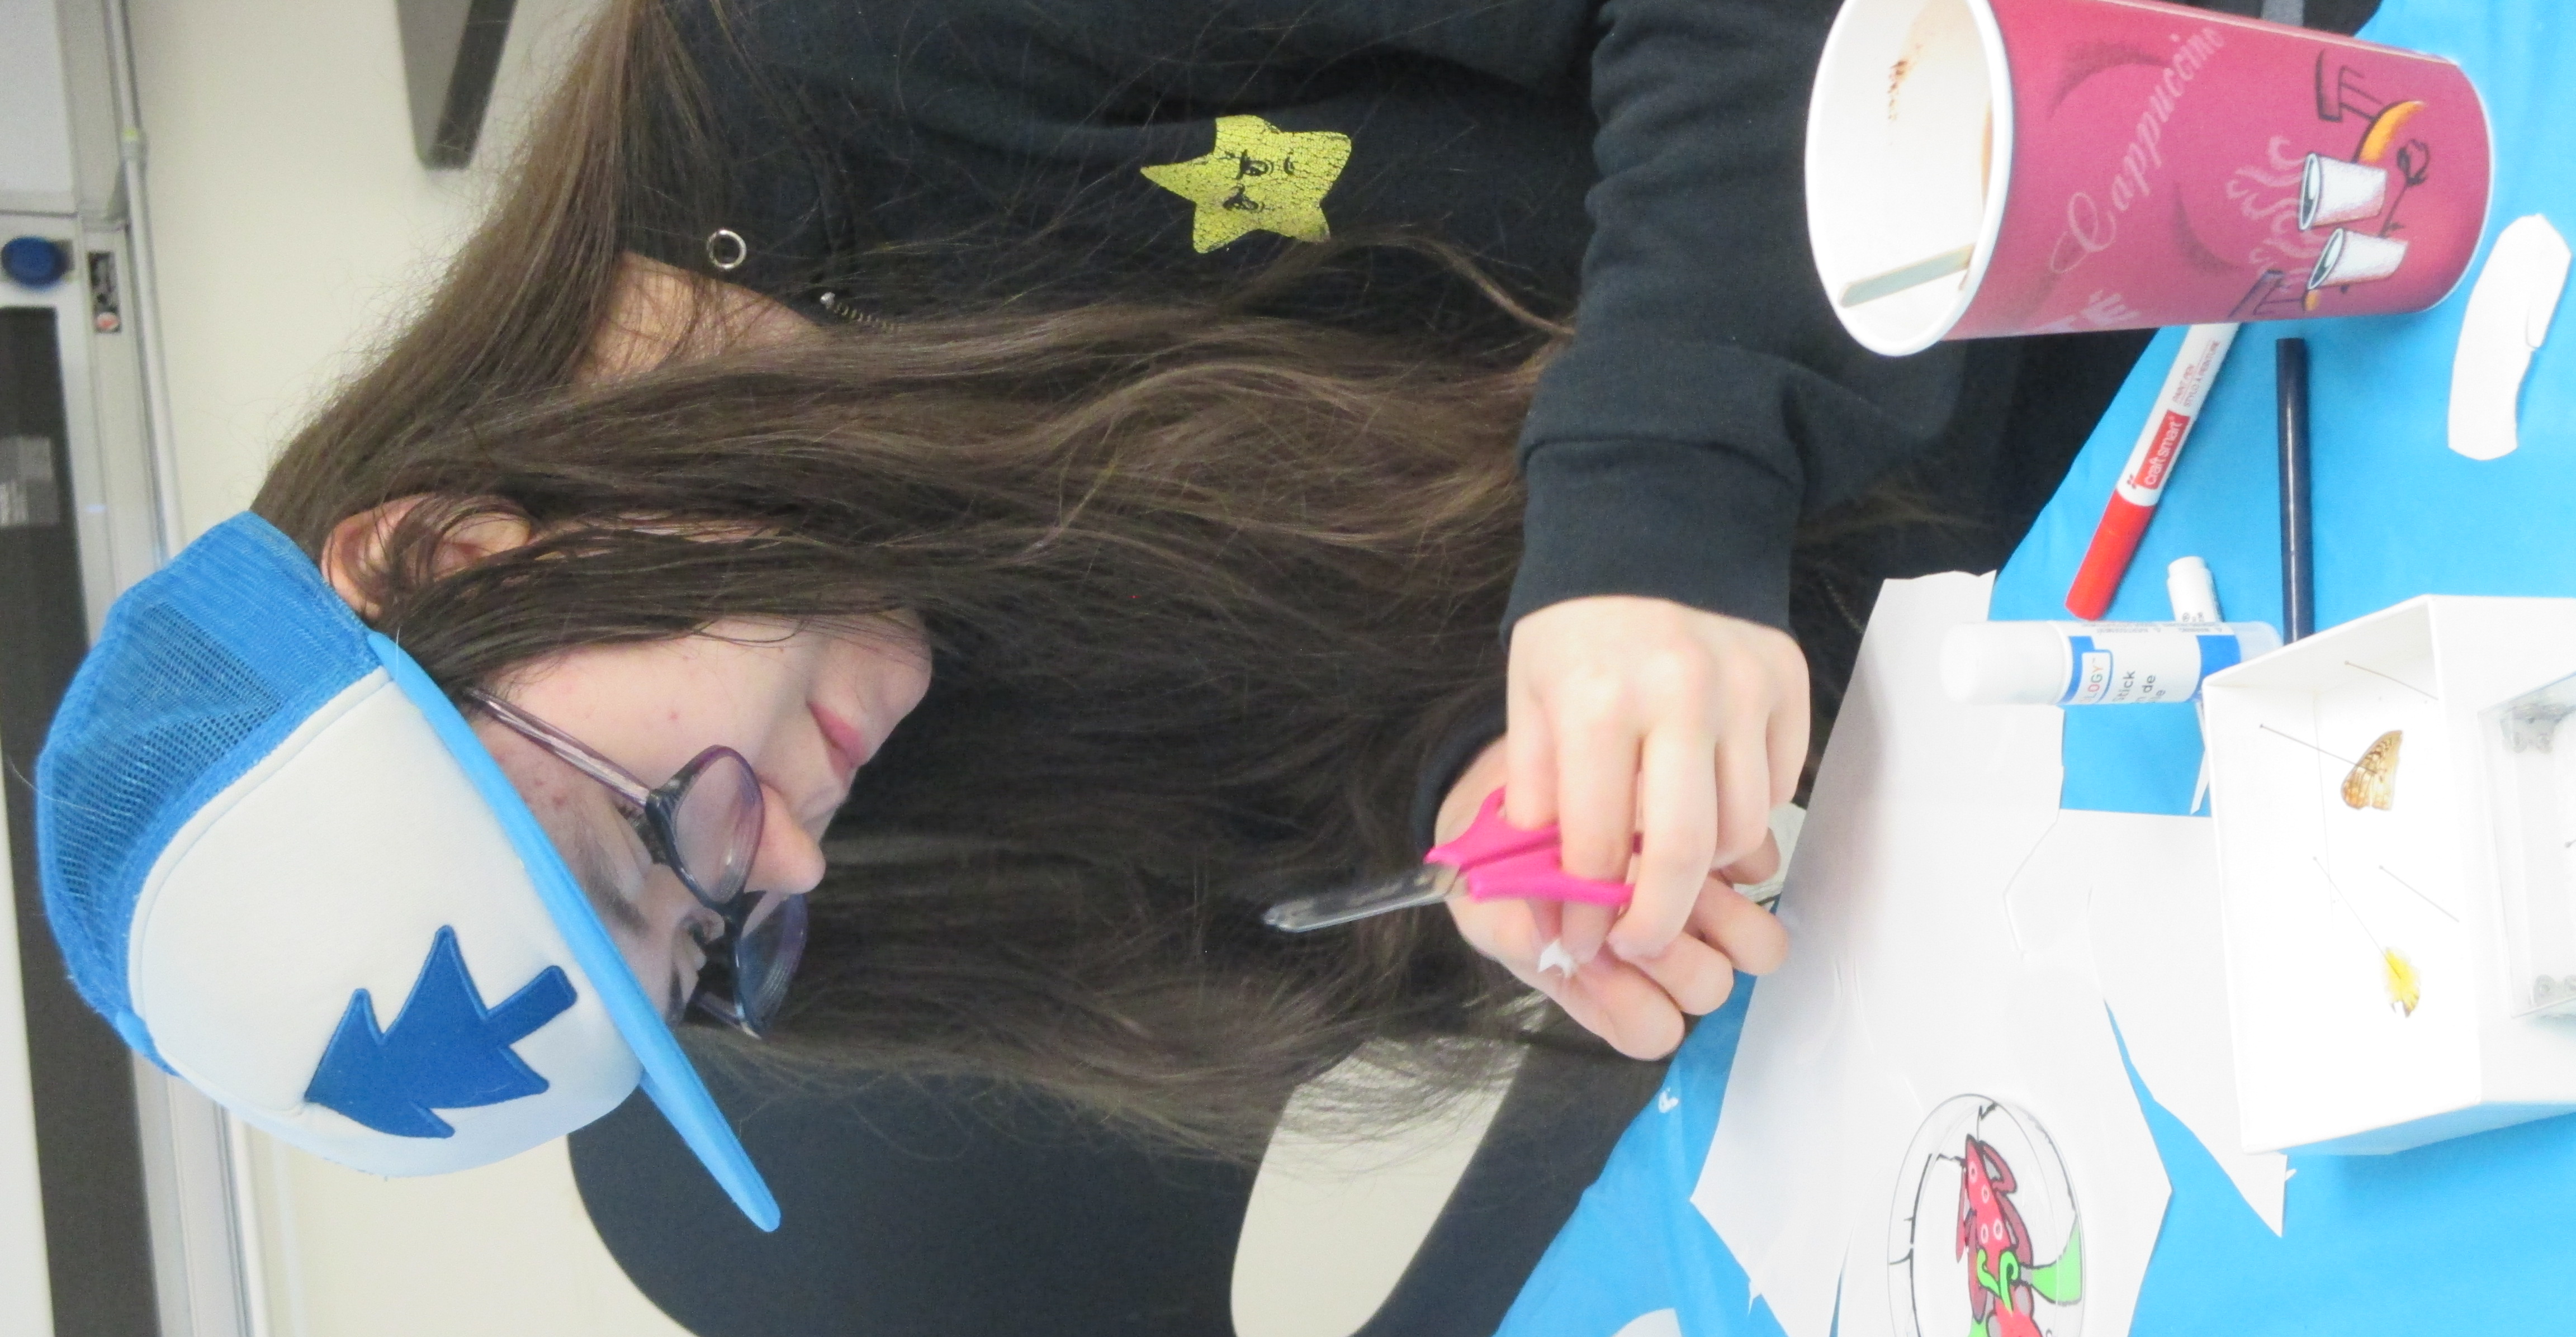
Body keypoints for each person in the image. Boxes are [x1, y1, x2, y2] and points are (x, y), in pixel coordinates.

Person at [37, 0, 2143, 1222]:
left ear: (443, 560)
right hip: (2091, 625)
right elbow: (1364, 598)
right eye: (705, 960)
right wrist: (1501, 798)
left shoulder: (850, 42)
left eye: (630, 841)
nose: (781, 864)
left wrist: (1657, 521)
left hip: (2211, 155)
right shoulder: (865, 694)